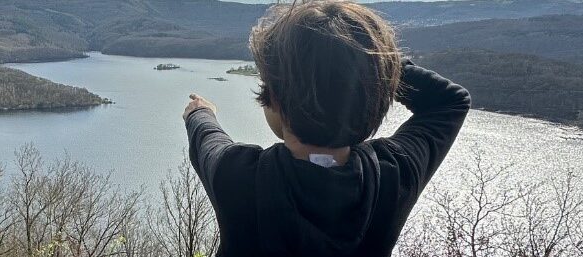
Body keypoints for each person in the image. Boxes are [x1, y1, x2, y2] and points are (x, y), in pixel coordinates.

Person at [182, 1, 471, 256]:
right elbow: (449, 101)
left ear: (276, 100)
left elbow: (208, 139)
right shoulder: (394, 175)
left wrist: (201, 112)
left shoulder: (237, 177)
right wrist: (371, 60)